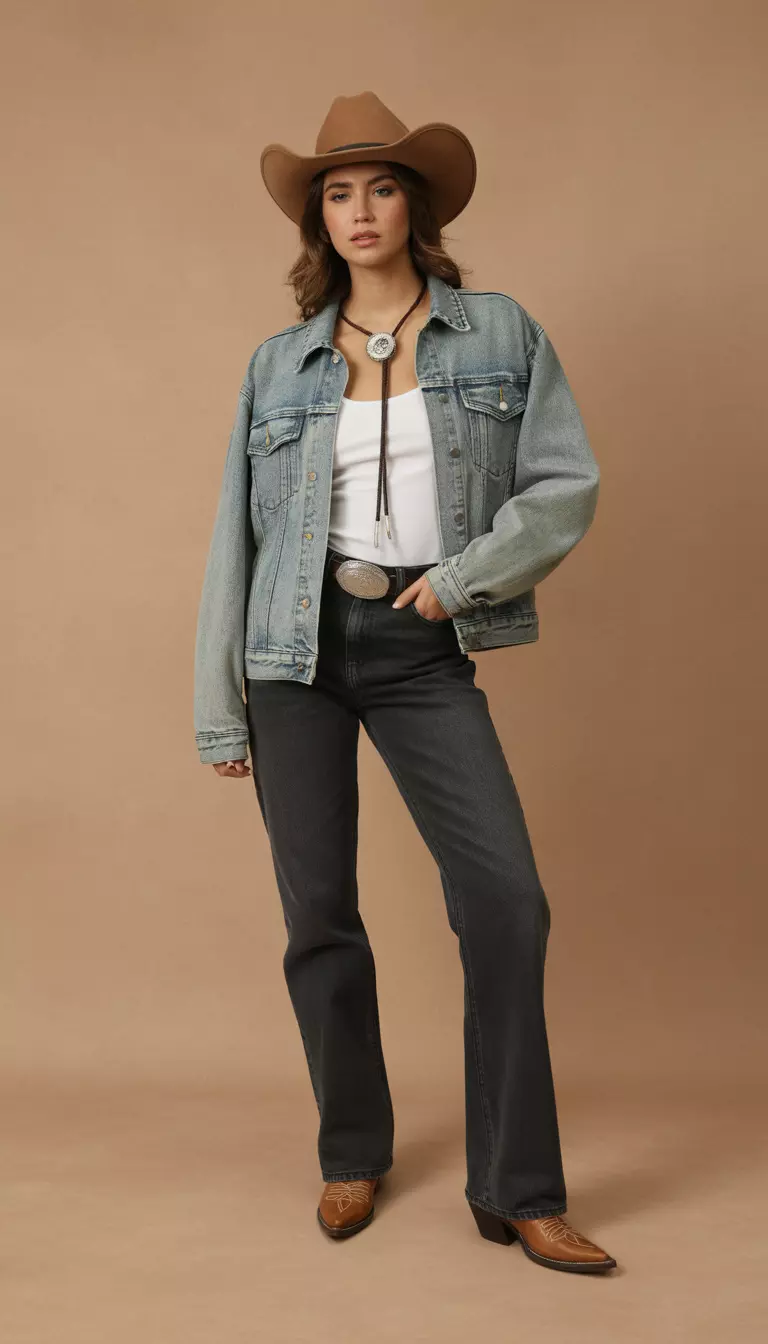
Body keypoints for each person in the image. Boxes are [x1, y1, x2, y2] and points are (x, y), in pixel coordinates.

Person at [193, 91, 616, 1274]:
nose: (360, 210)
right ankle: (351, 1152)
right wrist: (219, 703)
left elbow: (564, 483)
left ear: (415, 208)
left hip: (424, 644)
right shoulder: (278, 364)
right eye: (337, 192)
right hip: (294, 651)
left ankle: (519, 1188)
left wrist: (467, 579)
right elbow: (238, 537)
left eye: (380, 188)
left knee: (506, 902)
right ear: (315, 221)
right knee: (318, 913)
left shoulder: (496, 333)